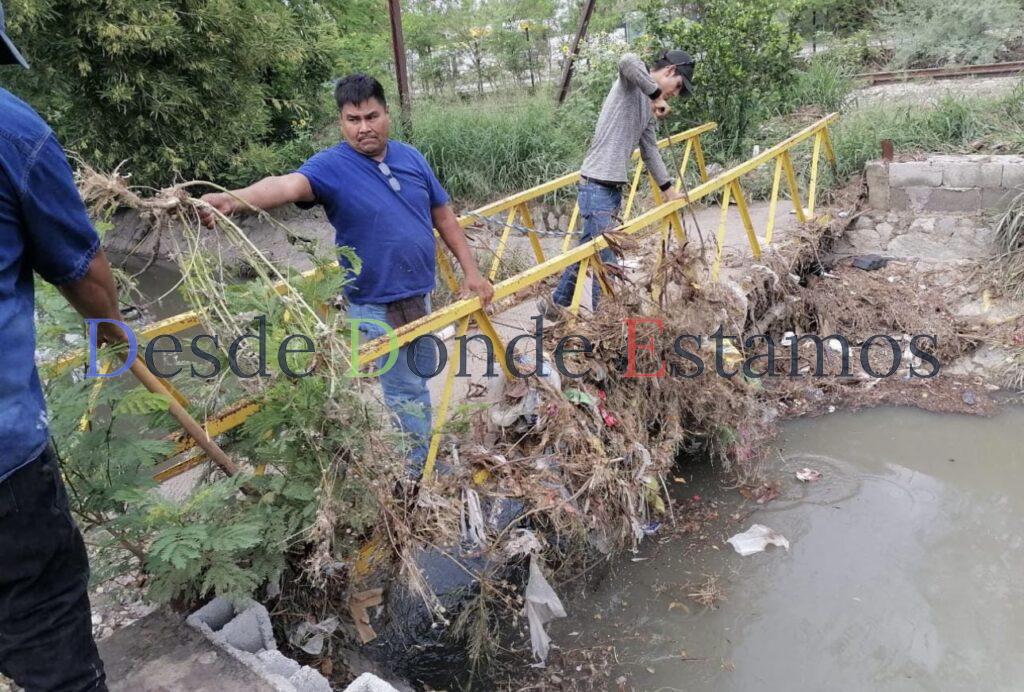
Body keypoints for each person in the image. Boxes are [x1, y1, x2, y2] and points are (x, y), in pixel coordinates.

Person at [200, 74, 494, 478]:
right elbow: (285, 185)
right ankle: (421, 473)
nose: (363, 127)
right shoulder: (330, 166)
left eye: (372, 116)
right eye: (353, 119)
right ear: (341, 122)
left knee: (420, 376)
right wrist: (233, 200)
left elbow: (443, 216)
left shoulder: (411, 158)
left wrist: (472, 274)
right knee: (403, 390)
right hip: (373, 302)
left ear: (387, 114)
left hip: (420, 294)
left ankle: (421, 449)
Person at [0, 3, 123, 689]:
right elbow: (82, 271)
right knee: (46, 632)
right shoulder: (13, 130)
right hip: (4, 463)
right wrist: (114, 327)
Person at [547, 49, 696, 313]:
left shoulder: (649, 110)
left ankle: (556, 304)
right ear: (671, 71)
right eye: (678, 86)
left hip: (611, 189)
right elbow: (627, 60)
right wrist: (656, 94)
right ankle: (604, 320)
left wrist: (669, 190)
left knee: (589, 249)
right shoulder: (631, 83)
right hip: (596, 185)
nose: (674, 94)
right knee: (607, 259)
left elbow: (650, 151)